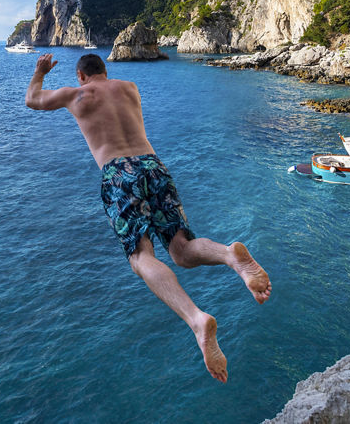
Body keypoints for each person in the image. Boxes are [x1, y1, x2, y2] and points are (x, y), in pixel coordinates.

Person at [25, 53, 271, 383]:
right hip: (153, 166)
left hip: (118, 173)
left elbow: (33, 100)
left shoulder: (76, 94)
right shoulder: (129, 87)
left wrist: (40, 73)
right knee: (182, 249)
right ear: (105, 71)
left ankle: (196, 319)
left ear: (81, 75)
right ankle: (230, 255)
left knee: (142, 257)